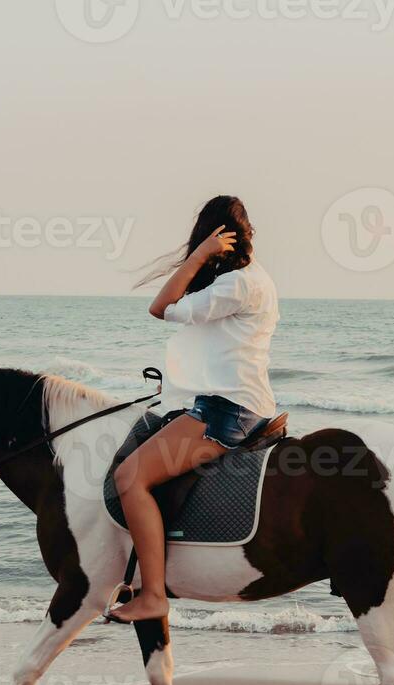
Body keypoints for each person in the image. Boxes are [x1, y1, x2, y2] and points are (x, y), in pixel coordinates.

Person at [109, 195, 280, 623]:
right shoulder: (254, 279)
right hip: (237, 402)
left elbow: (161, 307)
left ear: (217, 238)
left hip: (226, 411)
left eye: (204, 240)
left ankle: (153, 596)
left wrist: (201, 253)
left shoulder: (236, 284)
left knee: (130, 478)